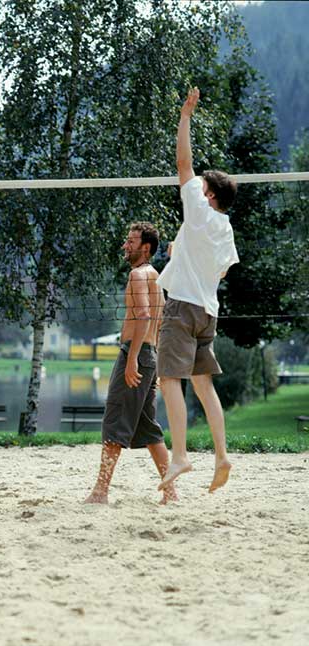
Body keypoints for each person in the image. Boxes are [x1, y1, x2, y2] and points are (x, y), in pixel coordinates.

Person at [157, 87, 239, 493]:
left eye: (202, 187)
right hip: (208, 311)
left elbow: (183, 162)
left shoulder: (199, 208)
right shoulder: (224, 228)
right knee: (204, 386)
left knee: (169, 380)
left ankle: (181, 456)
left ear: (209, 195)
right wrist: (180, 251)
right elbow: (219, 273)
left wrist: (186, 115)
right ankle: (222, 456)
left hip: (182, 308)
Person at [85, 223, 176, 504]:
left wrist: (133, 359)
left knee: (115, 422)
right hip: (150, 355)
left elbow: (145, 318)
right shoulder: (157, 277)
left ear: (145, 247)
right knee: (149, 429)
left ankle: (100, 492)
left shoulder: (138, 275)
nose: (126, 246)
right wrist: (154, 362)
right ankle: (170, 493)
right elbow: (159, 323)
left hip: (136, 354)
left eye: (131, 241)